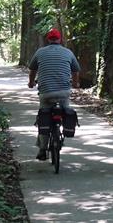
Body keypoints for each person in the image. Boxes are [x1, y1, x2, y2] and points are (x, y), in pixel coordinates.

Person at [28, 28, 81, 160]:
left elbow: (32, 70)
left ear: (48, 39)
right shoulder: (68, 52)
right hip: (64, 92)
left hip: (46, 93)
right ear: (60, 39)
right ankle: (61, 129)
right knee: (64, 109)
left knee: (44, 117)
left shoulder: (40, 52)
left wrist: (31, 83)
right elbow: (75, 71)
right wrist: (75, 83)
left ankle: (42, 149)